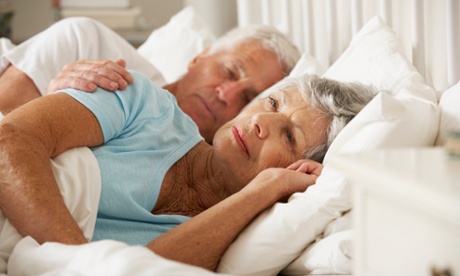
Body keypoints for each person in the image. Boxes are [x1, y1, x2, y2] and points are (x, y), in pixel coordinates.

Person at [0, 70, 375, 271]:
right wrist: (74, 262)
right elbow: (9, 139)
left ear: (302, 167)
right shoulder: (145, 105)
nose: (261, 120)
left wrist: (264, 190)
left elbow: (144, 269)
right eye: (272, 102)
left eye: (289, 136)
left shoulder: (227, 237)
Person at [0, 16, 301, 143]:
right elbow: (6, 130)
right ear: (199, 57)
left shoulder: (198, 174)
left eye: (248, 99)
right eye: (230, 71)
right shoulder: (86, 43)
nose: (227, 93)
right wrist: (57, 104)